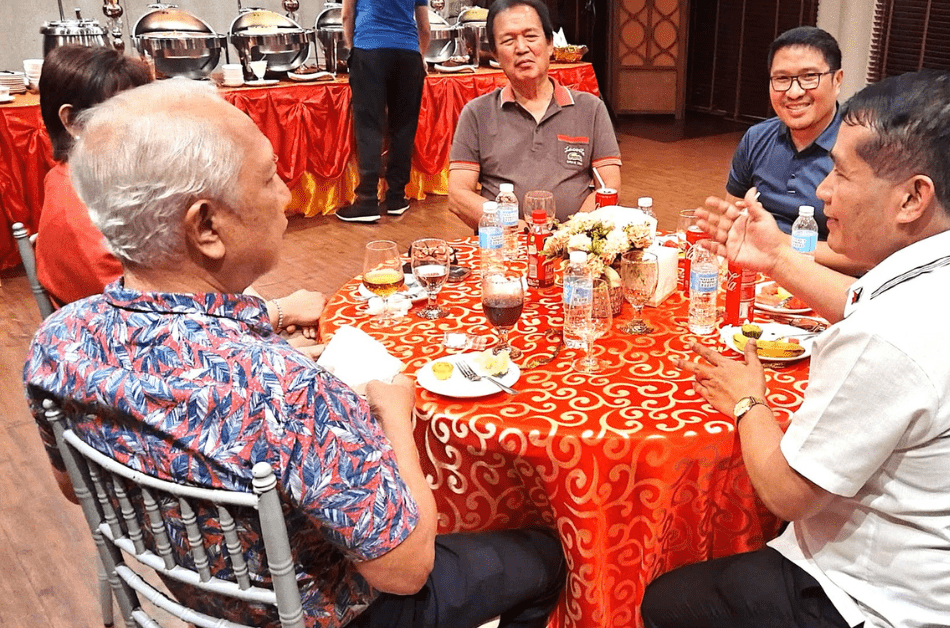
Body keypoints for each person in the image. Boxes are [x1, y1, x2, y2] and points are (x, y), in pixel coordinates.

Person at [24, 79, 566, 628]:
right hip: (333, 614)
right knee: (545, 555)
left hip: (194, 601)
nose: (286, 195)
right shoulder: (285, 388)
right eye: (268, 178)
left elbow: (75, 487)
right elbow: (406, 571)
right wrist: (395, 416)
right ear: (207, 226)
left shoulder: (58, 342)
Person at [641, 71, 950, 628]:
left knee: (666, 599)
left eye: (841, 172)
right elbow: (862, 302)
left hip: (889, 603)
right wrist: (775, 259)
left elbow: (788, 494)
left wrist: (748, 402)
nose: (822, 190)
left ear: (913, 197)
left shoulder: (893, 335)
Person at [32, 46, 328, 346]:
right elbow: (159, 328)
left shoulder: (80, 184)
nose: (155, 126)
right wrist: (278, 313)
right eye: (128, 113)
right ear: (72, 121)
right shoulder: (88, 216)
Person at [447, 0, 621, 227]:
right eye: (508, 40)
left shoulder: (591, 109)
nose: (521, 48)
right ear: (496, 55)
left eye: (530, 36)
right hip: (502, 246)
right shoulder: (477, 113)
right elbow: (458, 195)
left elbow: (610, 185)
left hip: (575, 246)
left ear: (550, 44)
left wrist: (570, 233)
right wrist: (517, 229)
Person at [34, 44, 150, 305]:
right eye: (122, 110)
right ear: (73, 121)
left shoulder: (69, 176)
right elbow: (144, 307)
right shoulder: (81, 213)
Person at [726, 26, 842, 240]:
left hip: (820, 270)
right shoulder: (756, 138)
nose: (794, 92)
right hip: (756, 264)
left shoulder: (860, 148)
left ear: (837, 80)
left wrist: (780, 247)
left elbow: (863, 258)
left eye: (809, 76)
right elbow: (733, 215)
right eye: (781, 79)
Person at [335, 0, 431, 223]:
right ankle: (396, 197)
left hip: (369, 49)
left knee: (369, 125)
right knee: (404, 127)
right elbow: (424, 27)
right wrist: (420, 56)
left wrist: (353, 49)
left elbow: (347, 16)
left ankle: (367, 199)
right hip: (408, 54)